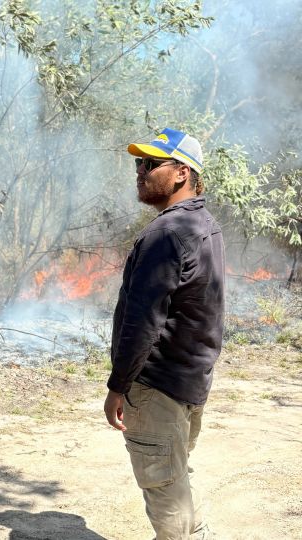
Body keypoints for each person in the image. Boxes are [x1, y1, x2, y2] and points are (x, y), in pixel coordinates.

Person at [103, 128, 224, 539]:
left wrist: (118, 386)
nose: (140, 171)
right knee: (176, 477)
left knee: (165, 491)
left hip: (157, 388)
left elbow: (143, 322)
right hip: (189, 383)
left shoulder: (165, 235)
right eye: (139, 162)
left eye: (152, 164)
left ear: (181, 173)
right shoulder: (203, 223)